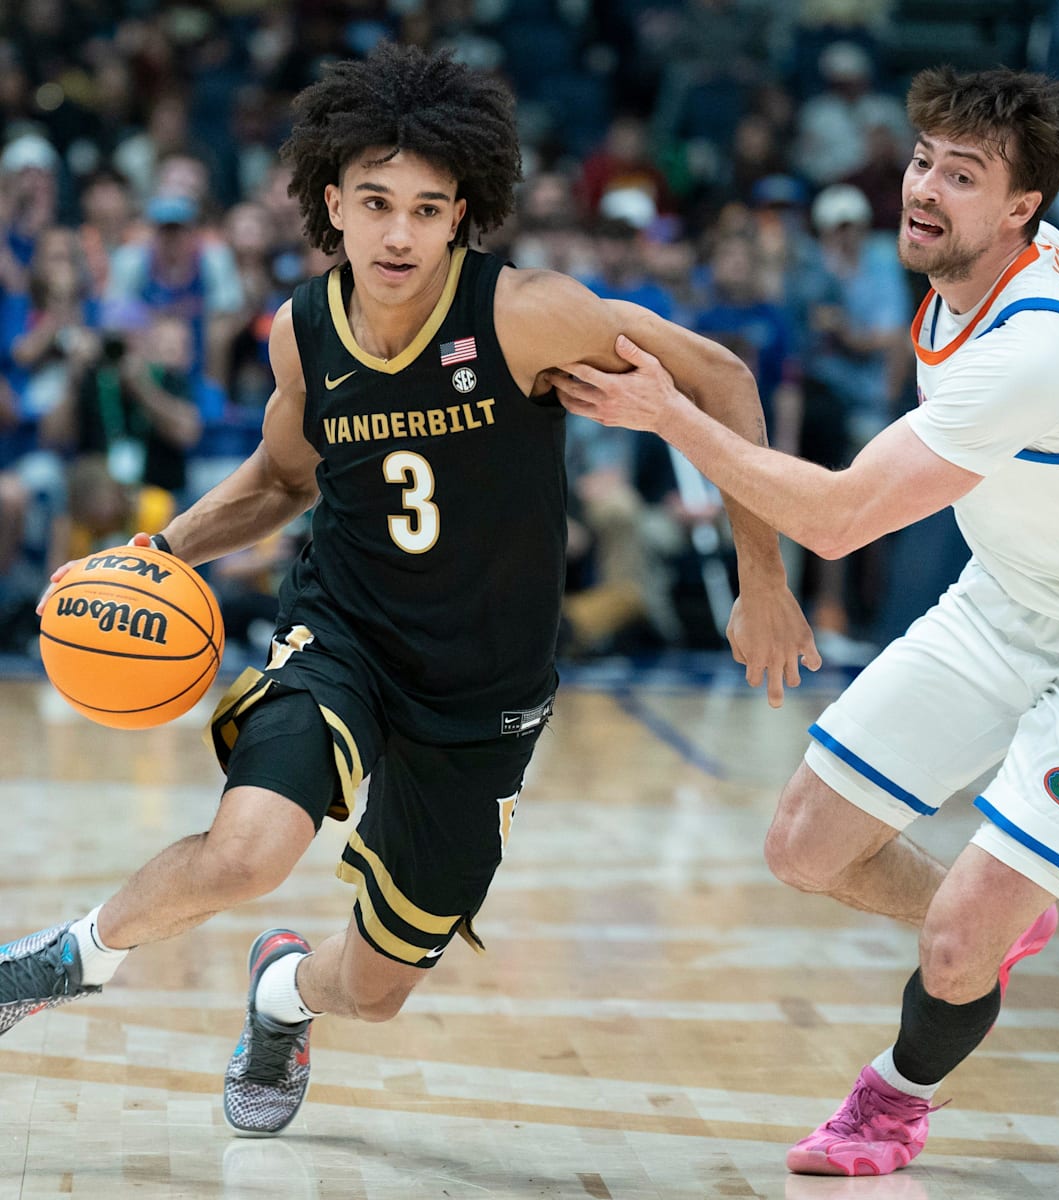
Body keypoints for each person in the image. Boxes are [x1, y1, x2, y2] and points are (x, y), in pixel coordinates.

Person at [0, 43, 812, 1140]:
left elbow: (723, 376)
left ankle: (281, 997)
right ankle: (61, 963)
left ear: (461, 216)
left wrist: (762, 579)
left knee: (376, 989)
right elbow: (288, 475)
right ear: (330, 201)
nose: (395, 234)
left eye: (426, 210)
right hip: (345, 631)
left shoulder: (529, 311)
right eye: (374, 202)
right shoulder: (304, 329)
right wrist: (163, 552)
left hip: (485, 682)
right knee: (249, 850)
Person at [549, 65, 1059, 1176]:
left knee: (953, 947)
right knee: (804, 847)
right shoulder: (1003, 272)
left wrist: (668, 416)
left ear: (1022, 205)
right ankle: (993, 919)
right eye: (924, 160)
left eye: (964, 174)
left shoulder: (1034, 344)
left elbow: (840, 519)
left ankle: (893, 1102)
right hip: (1001, 600)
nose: (925, 189)